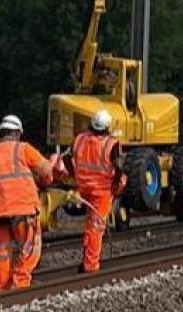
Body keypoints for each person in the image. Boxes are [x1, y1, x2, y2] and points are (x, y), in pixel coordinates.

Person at [0, 115, 55, 292]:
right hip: (23, 208)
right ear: (17, 133)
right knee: (31, 246)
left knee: (2, 250)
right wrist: (46, 180)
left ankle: (1, 286)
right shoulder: (23, 149)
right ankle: (20, 283)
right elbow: (46, 169)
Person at [67, 109, 123, 273]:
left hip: (83, 187)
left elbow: (65, 158)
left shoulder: (79, 139)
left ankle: (86, 257)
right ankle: (91, 265)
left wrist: (74, 175)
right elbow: (119, 166)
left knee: (90, 224)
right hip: (101, 191)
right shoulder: (111, 144)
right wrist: (117, 181)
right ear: (107, 126)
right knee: (96, 227)